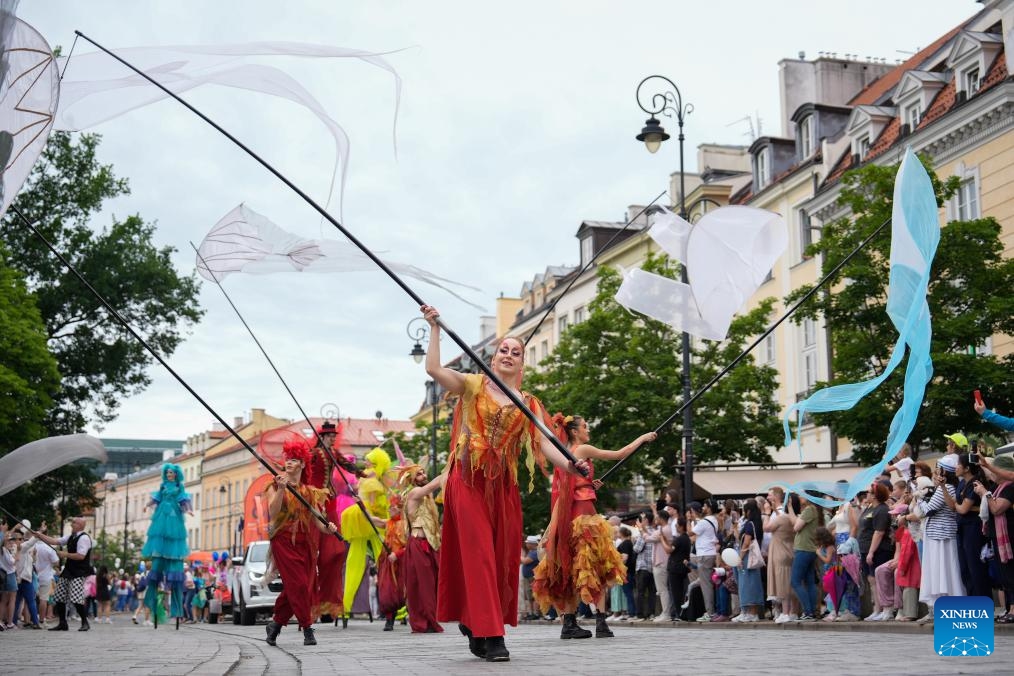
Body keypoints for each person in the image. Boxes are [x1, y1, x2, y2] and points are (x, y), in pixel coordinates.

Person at [421, 304, 588, 663]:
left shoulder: (528, 404)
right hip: (467, 481)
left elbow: (546, 444)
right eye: (503, 350)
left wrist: (573, 466)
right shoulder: (472, 385)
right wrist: (434, 327)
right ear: (493, 359)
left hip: (503, 489)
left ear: (522, 364)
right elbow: (434, 369)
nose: (508, 355)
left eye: (516, 352)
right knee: (479, 554)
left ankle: (475, 623)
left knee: (500, 561)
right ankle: (493, 635)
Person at [533, 414, 655, 638]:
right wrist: (643, 438)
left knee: (572, 568)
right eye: (585, 427)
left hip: (570, 516)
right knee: (595, 565)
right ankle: (600, 622)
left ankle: (569, 624)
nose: (588, 430)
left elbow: (569, 488)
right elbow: (619, 454)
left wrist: (588, 484)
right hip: (584, 516)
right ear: (574, 431)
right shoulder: (581, 449)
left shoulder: (563, 454)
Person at [264, 439, 338, 647]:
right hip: (283, 541)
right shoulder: (275, 484)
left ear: (303, 464)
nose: (289, 463)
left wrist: (329, 528)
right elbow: (273, 512)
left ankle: (276, 624)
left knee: (301, 587)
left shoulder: (309, 492)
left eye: (295, 460)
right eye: (288, 459)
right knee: (298, 584)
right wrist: (281, 489)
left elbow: (319, 522)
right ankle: (307, 628)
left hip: (305, 544)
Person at [340, 447, 391, 624]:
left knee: (355, 563)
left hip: (362, 521)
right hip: (368, 521)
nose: (366, 463)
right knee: (384, 560)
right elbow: (371, 506)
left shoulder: (369, 480)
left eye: (369, 461)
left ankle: (345, 608)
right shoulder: (372, 482)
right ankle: (397, 607)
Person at [141, 463, 193, 622]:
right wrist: (146, 505)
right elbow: (155, 498)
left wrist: (189, 509)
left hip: (174, 514)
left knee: (174, 536)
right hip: (162, 513)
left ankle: (176, 610)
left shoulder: (179, 486)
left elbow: (184, 501)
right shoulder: (163, 485)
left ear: (176, 474)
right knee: (160, 534)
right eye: (168, 472)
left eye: (172, 472)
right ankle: (151, 603)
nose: (169, 474)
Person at [916, 456, 964, 623]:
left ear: (944, 472)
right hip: (939, 535)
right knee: (942, 571)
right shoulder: (949, 487)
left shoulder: (947, 488)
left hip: (941, 536)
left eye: (938, 469)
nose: (935, 472)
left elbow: (928, 509)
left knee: (942, 571)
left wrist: (920, 499)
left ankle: (945, 605)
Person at [399, 463, 445, 633]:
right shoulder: (415, 493)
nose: (423, 475)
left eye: (424, 472)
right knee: (421, 584)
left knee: (432, 584)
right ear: (412, 479)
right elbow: (435, 484)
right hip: (419, 544)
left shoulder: (427, 497)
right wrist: (450, 468)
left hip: (432, 544)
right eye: (419, 474)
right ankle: (423, 622)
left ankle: (430, 619)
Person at [28, 516, 93, 631]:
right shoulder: (71, 537)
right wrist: (39, 535)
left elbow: (81, 556)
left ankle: (85, 622)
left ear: (81, 526)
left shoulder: (84, 538)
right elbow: (54, 541)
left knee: (76, 598)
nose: (72, 524)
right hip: (68, 570)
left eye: (74, 523)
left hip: (78, 572)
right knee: (59, 596)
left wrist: (65, 554)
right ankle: (63, 623)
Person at [787, 491, 823, 621]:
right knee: (810, 582)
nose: (800, 497)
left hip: (803, 550)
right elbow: (795, 523)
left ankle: (808, 611)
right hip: (810, 550)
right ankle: (812, 611)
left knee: (795, 581)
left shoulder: (809, 509)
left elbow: (796, 527)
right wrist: (790, 507)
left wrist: (794, 516)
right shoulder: (813, 510)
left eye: (802, 495)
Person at [377, 494, 407, 631]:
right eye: (389, 507)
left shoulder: (406, 525)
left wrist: (397, 554)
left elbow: (410, 545)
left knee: (402, 592)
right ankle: (389, 619)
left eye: (393, 507)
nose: (390, 510)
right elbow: (374, 520)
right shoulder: (388, 523)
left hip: (402, 563)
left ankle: (407, 615)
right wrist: (361, 507)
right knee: (387, 591)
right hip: (388, 563)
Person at [688, 500, 720, 622]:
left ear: (710, 508)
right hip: (710, 553)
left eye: (705, 506)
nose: (703, 507)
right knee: (708, 584)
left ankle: (710, 612)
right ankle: (710, 611)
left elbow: (690, 533)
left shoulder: (704, 521)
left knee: (706, 585)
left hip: (704, 555)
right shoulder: (713, 520)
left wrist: (689, 519)